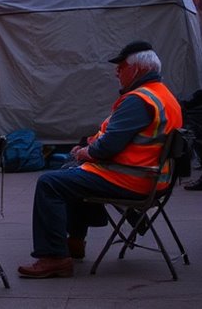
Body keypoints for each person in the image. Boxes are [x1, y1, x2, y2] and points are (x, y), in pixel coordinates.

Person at [17, 40, 183, 279]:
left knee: (50, 183)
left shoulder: (139, 100)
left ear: (137, 69)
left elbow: (107, 147)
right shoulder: (164, 96)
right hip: (152, 178)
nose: (117, 71)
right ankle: (74, 242)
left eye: (121, 66)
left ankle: (54, 257)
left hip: (131, 178)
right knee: (71, 174)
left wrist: (85, 152)